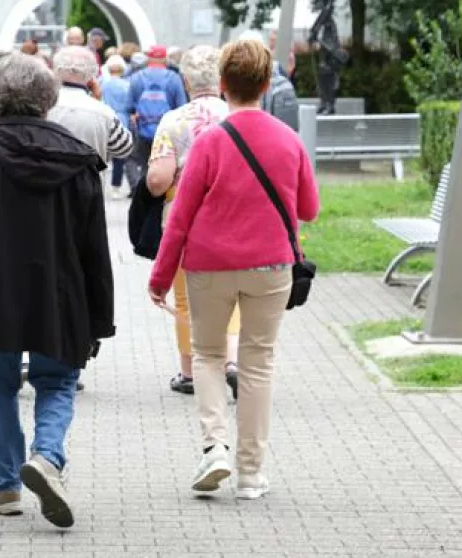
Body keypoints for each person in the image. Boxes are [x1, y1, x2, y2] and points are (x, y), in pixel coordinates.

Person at [0, 52, 115, 529]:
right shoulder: (79, 158)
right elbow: (95, 245)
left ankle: (5, 488)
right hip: (62, 293)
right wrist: (100, 316)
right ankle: (47, 457)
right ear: (48, 97)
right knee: (57, 383)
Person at [148, 39, 320, 500]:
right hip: (270, 265)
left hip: (208, 266)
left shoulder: (209, 143)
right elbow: (309, 208)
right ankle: (250, 474)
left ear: (223, 83)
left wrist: (160, 277)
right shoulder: (289, 140)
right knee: (257, 363)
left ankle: (214, 448)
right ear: (266, 85)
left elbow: (179, 219)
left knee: (206, 355)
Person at [145, 45, 237, 396]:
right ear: (223, 79)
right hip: (234, 217)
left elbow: (158, 180)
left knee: (187, 299)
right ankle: (231, 362)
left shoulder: (173, 120)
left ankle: (190, 372)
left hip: (186, 221)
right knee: (232, 294)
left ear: (185, 80)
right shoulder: (237, 117)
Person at [49, 46, 133, 164]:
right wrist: (98, 101)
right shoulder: (103, 112)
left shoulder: (43, 107)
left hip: (48, 174)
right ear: (91, 77)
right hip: (90, 174)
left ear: (55, 71)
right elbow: (124, 148)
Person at [126, 45, 186, 196]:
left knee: (140, 162)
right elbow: (182, 106)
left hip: (142, 128)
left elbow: (129, 106)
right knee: (165, 163)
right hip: (167, 131)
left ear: (149, 58)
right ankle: (161, 195)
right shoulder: (174, 78)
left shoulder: (136, 77)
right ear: (165, 59)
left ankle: (141, 192)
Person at [101, 54, 132, 199]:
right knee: (120, 155)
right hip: (122, 118)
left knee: (102, 153)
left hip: (104, 117)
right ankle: (116, 186)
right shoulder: (127, 85)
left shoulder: (102, 83)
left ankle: (100, 182)